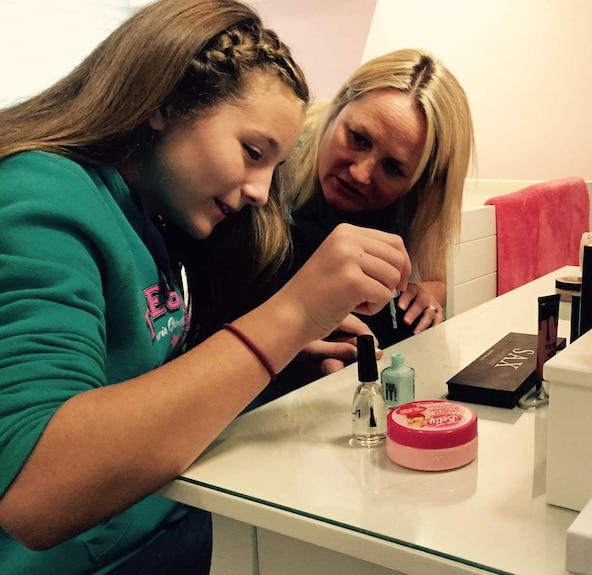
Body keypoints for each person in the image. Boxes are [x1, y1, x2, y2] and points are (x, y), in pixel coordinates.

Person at [0, 1, 410, 574]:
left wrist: (271, 360)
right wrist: (289, 316)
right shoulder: (40, 194)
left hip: (184, 524)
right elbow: (36, 492)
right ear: (165, 103)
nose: (263, 192)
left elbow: (147, 380)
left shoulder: (160, 220)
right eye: (251, 152)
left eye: (276, 166)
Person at [251, 49, 474, 384]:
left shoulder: (411, 209)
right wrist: (289, 338)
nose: (360, 173)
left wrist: (426, 296)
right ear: (338, 107)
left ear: (418, 187)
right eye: (358, 139)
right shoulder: (266, 173)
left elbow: (435, 279)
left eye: (393, 168)